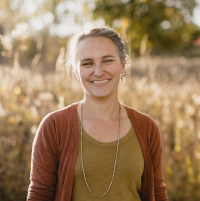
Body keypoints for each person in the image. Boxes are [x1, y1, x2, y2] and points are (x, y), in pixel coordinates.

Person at [27, 24, 168, 201]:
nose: (98, 72)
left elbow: (158, 192)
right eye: (87, 63)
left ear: (123, 65)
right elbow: (40, 194)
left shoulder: (146, 127)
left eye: (107, 60)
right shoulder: (54, 126)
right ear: (77, 73)